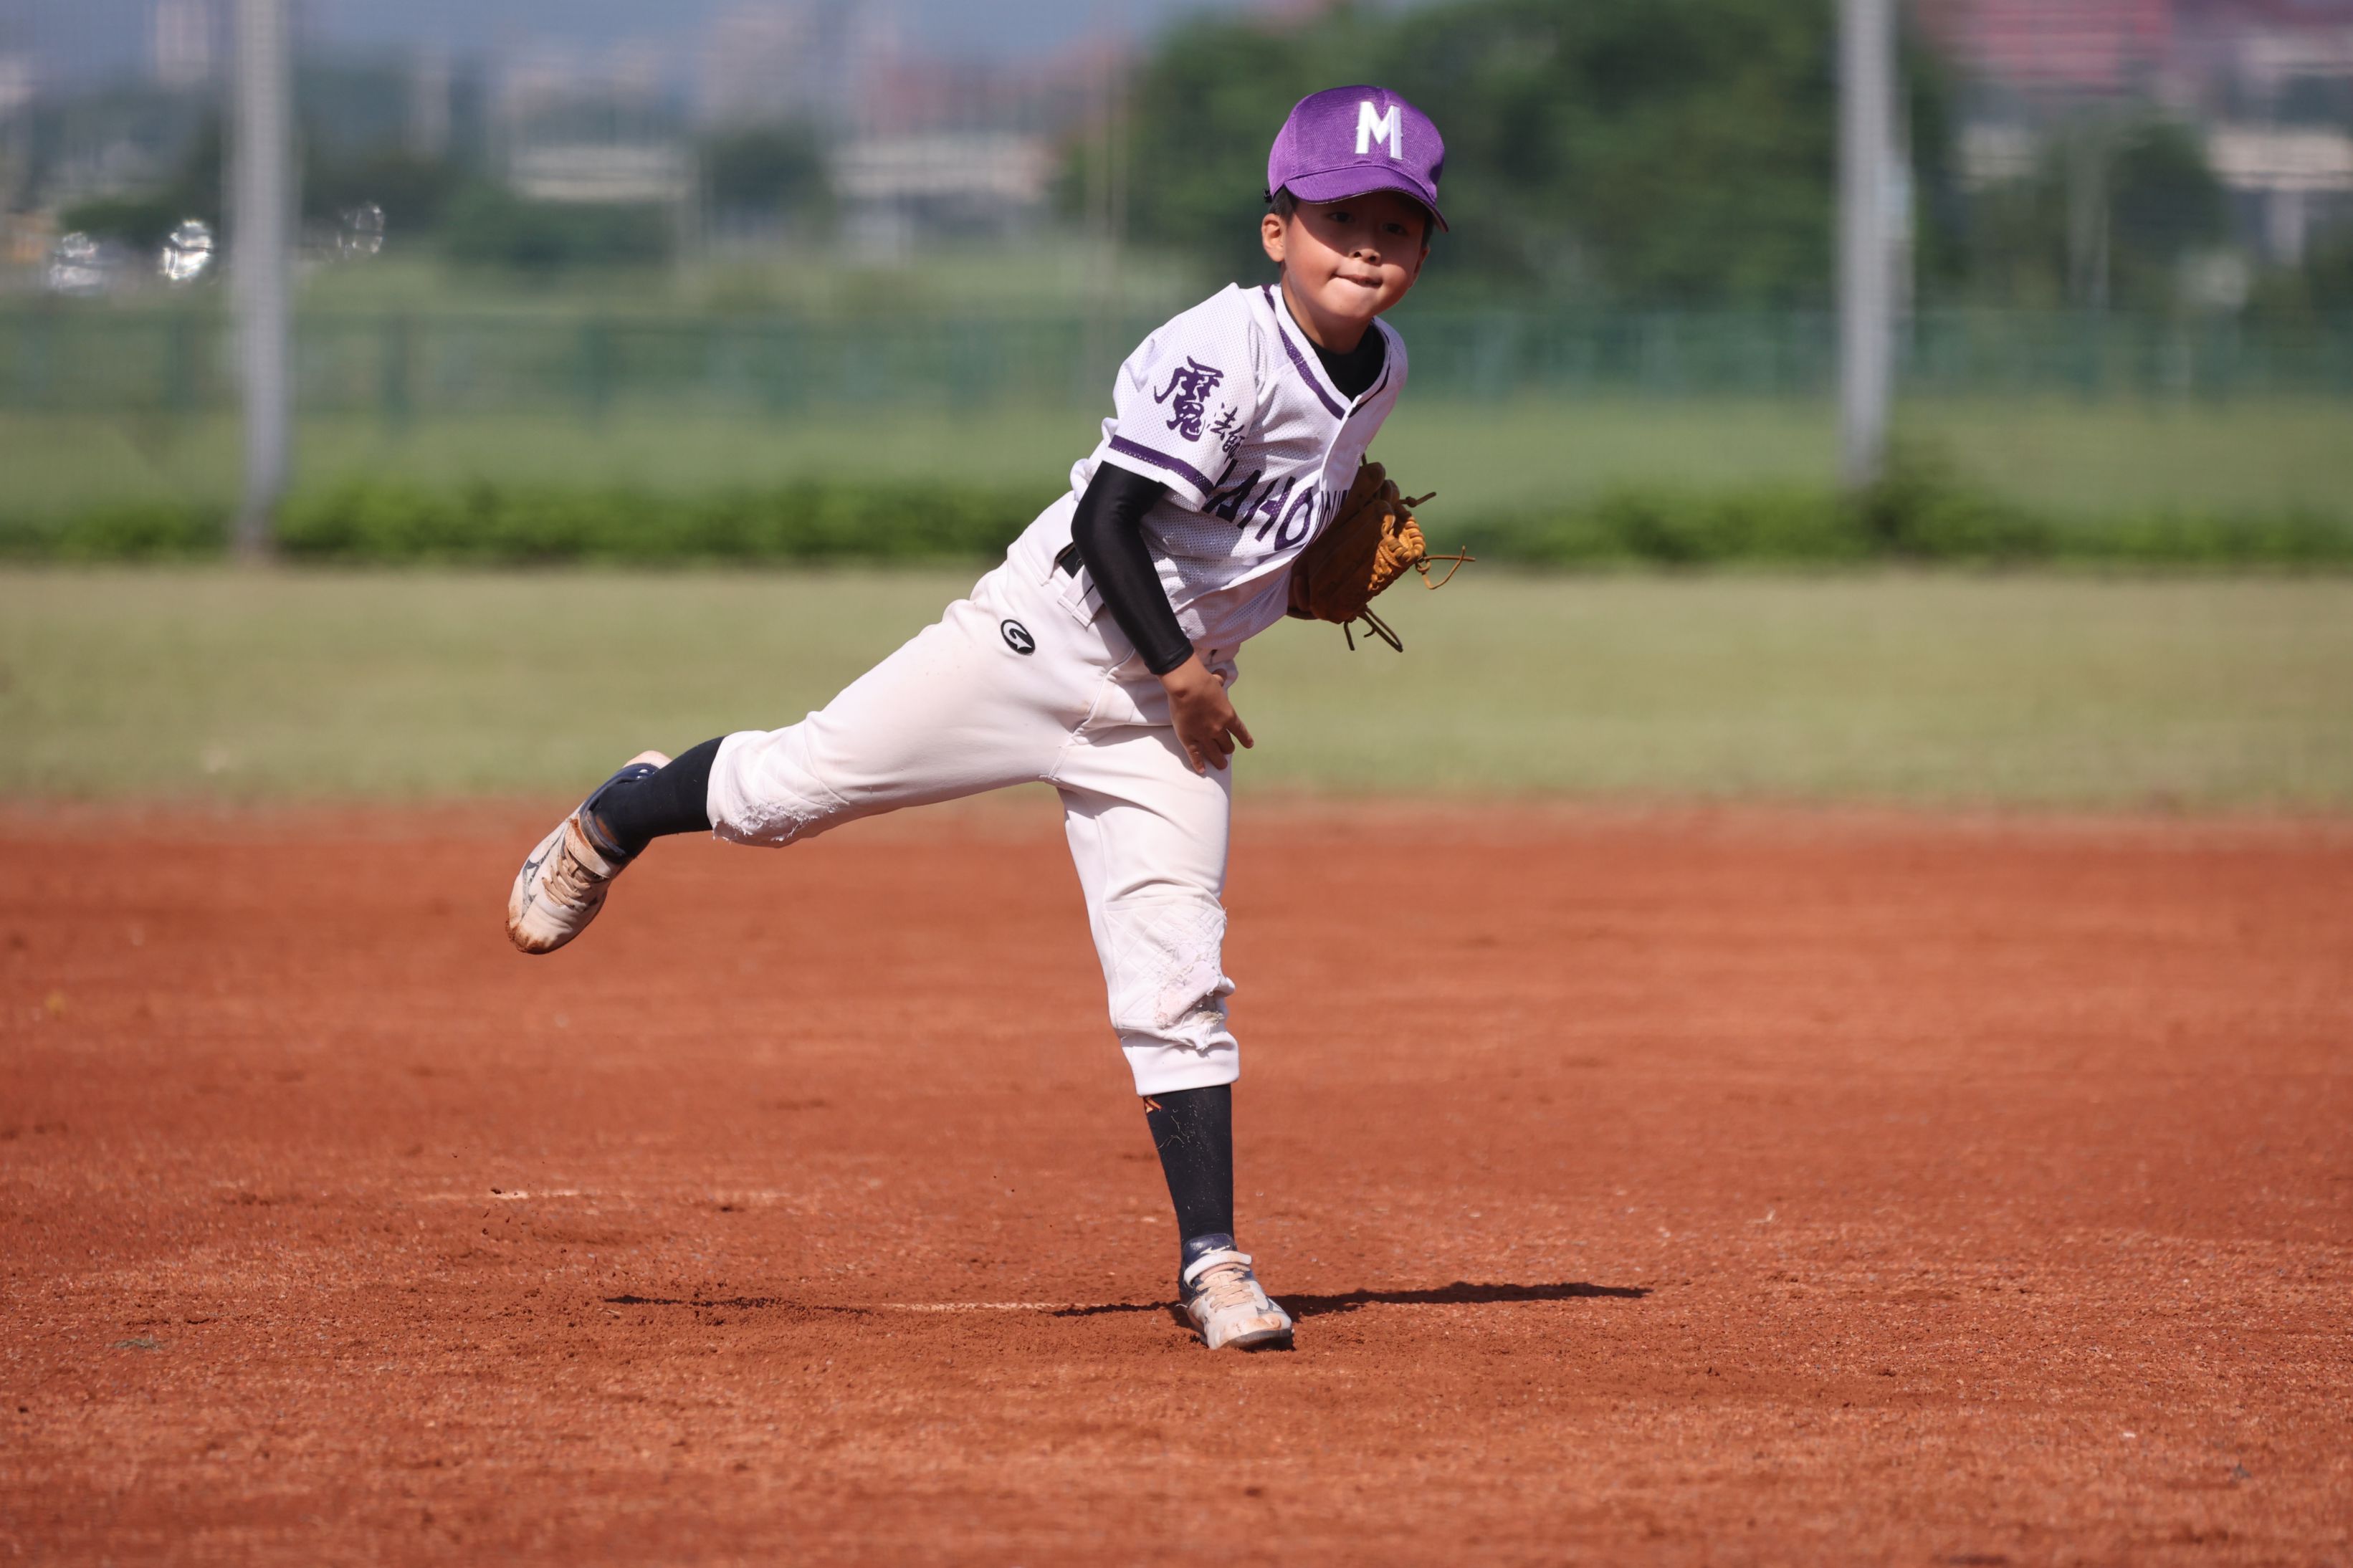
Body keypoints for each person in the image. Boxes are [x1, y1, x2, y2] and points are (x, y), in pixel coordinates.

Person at [506, 85, 1448, 1352]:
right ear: (1278, 230)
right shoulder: (1216, 352)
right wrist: (1184, 670)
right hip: (1036, 648)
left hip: (1167, 713)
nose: (1369, 248)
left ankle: (1215, 1264)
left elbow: (1258, 528)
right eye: (1340, 218)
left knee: (1178, 978)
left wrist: (1255, 605)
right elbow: (1110, 522)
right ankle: (623, 810)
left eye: (1398, 223)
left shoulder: (1383, 370)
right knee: (783, 795)